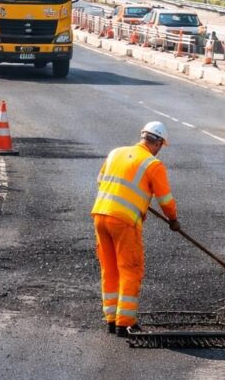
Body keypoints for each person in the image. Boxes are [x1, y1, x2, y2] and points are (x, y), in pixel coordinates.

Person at [92, 121, 180, 337]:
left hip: (100, 215)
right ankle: (125, 323)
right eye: (161, 146)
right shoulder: (153, 165)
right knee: (130, 269)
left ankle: (111, 319)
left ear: (142, 136)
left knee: (110, 268)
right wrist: (173, 219)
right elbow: (165, 200)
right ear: (158, 143)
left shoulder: (115, 153)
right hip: (123, 222)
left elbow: (101, 181)